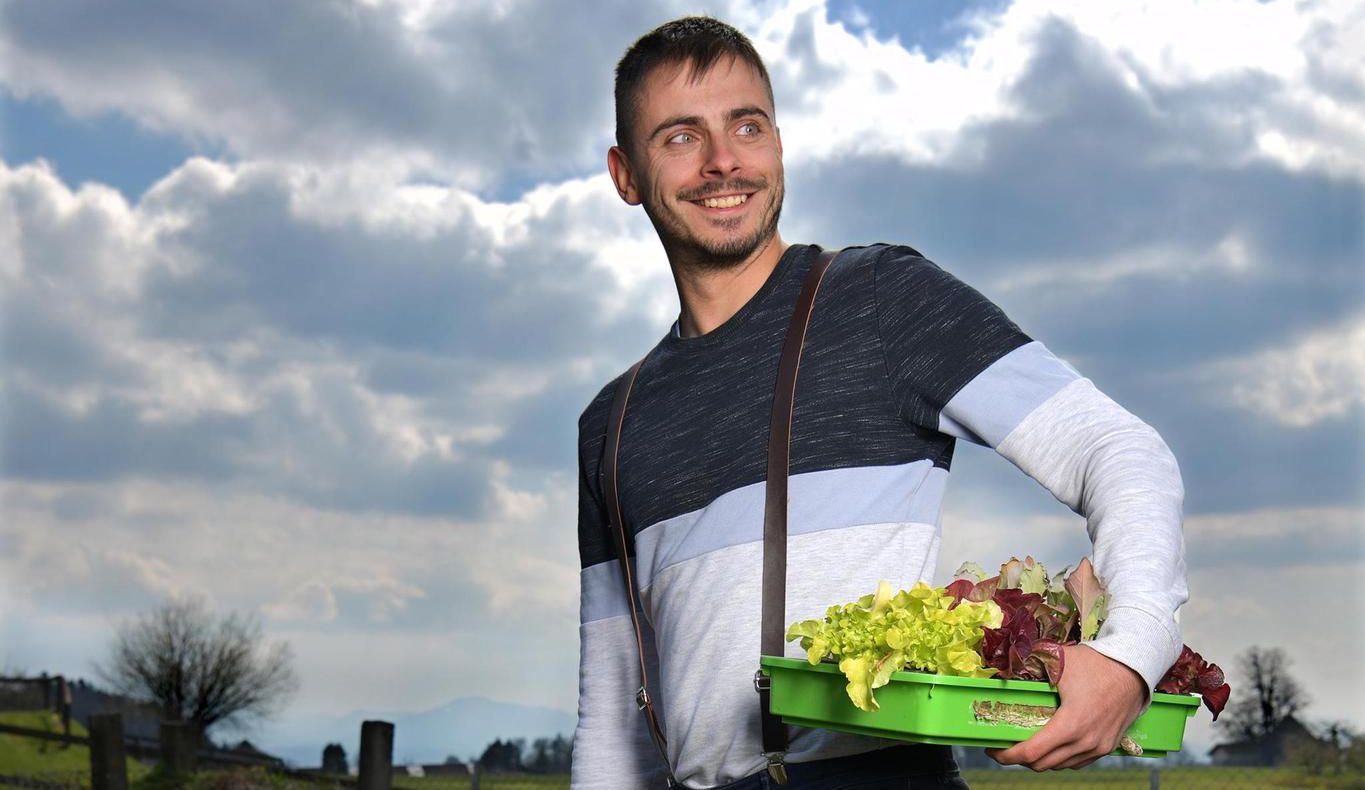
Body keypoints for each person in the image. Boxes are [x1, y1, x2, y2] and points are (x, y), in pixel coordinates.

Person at [572, 16, 1186, 790]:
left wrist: (1130, 655)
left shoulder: (876, 299)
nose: (724, 160)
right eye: (680, 137)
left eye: (746, 126)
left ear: (778, 145)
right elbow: (612, 711)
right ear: (625, 175)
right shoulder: (612, 420)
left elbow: (1118, 449)